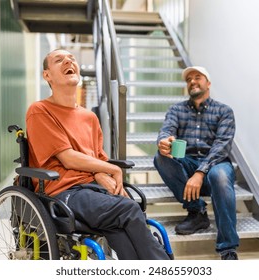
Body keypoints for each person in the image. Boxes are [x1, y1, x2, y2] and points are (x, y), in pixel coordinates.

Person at [26, 48, 169, 260]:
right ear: (47, 75)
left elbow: (97, 157)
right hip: (63, 191)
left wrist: (100, 174)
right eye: (59, 60)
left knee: (120, 228)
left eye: (71, 58)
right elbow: (67, 157)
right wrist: (109, 170)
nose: (68, 61)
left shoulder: (89, 117)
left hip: (92, 189)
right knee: (127, 210)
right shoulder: (40, 110)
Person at [153, 66, 239, 260]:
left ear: (207, 83)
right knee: (160, 158)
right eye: (189, 79)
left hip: (216, 164)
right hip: (188, 162)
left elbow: (221, 146)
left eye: (197, 77)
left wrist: (200, 173)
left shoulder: (224, 111)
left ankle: (228, 250)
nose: (192, 81)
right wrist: (164, 141)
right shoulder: (176, 110)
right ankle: (197, 212)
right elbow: (167, 129)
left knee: (220, 175)